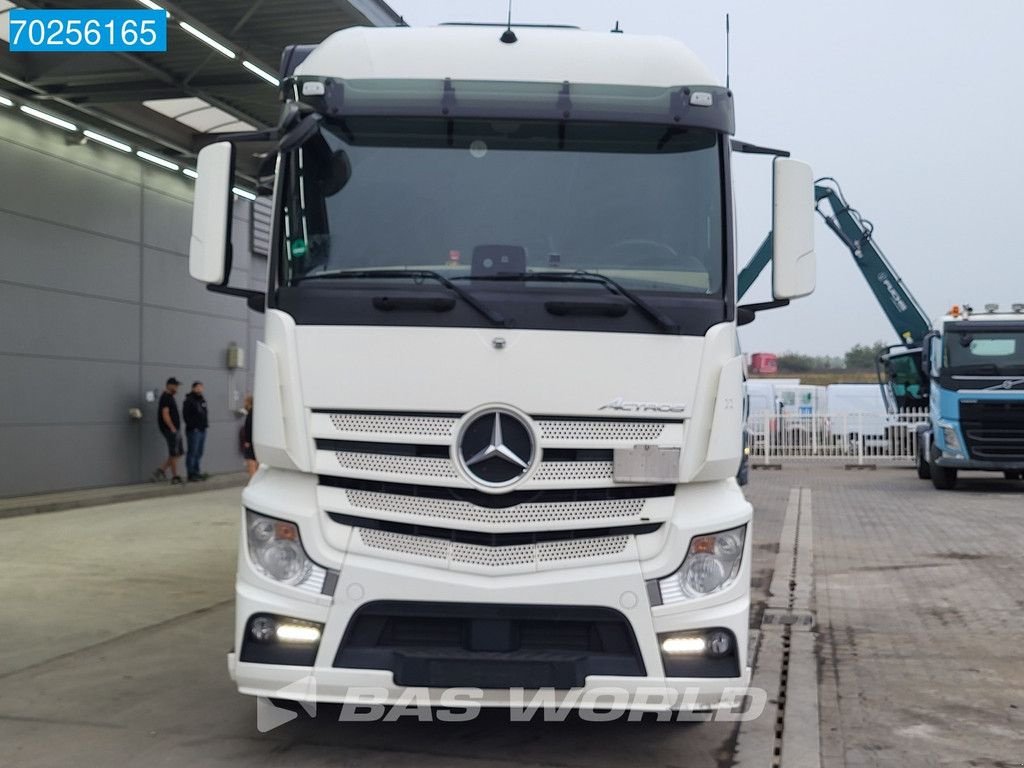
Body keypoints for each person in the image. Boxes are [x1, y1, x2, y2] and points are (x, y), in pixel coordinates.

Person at [152, 377, 184, 484]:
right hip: (171, 430)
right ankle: (175, 477)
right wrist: (172, 428)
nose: (177, 388)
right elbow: (165, 414)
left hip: (175, 430)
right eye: (175, 385)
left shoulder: (170, 397)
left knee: (178, 453)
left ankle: (161, 470)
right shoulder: (165, 397)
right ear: (169, 385)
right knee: (174, 453)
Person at [183, 381, 209, 482]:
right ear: (193, 388)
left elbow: (205, 413)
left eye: (201, 387)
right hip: (194, 430)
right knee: (192, 452)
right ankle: (191, 473)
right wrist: (193, 427)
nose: (200, 389)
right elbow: (186, 416)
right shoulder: (189, 400)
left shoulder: (202, 400)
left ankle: (197, 472)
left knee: (199, 452)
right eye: (197, 387)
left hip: (202, 429)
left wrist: (204, 425)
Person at [241, 394, 257, 477]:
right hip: (253, 441)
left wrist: (247, 441)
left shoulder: (251, 414)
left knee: (251, 461)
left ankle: (253, 479)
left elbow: (249, 428)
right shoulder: (254, 413)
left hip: (250, 442)